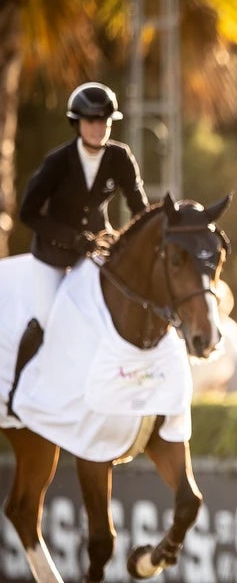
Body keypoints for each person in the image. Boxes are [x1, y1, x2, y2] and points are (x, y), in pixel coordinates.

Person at [9, 82, 148, 409]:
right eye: (91, 121)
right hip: (53, 255)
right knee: (46, 320)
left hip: (95, 251)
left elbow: (139, 207)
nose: (99, 128)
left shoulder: (119, 157)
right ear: (77, 123)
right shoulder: (58, 161)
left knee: (107, 315)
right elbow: (28, 212)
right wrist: (71, 239)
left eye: (105, 121)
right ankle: (17, 396)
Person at [190, 279, 237, 397]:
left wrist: (218, 383)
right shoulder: (194, 326)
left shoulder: (229, 329)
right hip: (192, 393)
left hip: (212, 396)